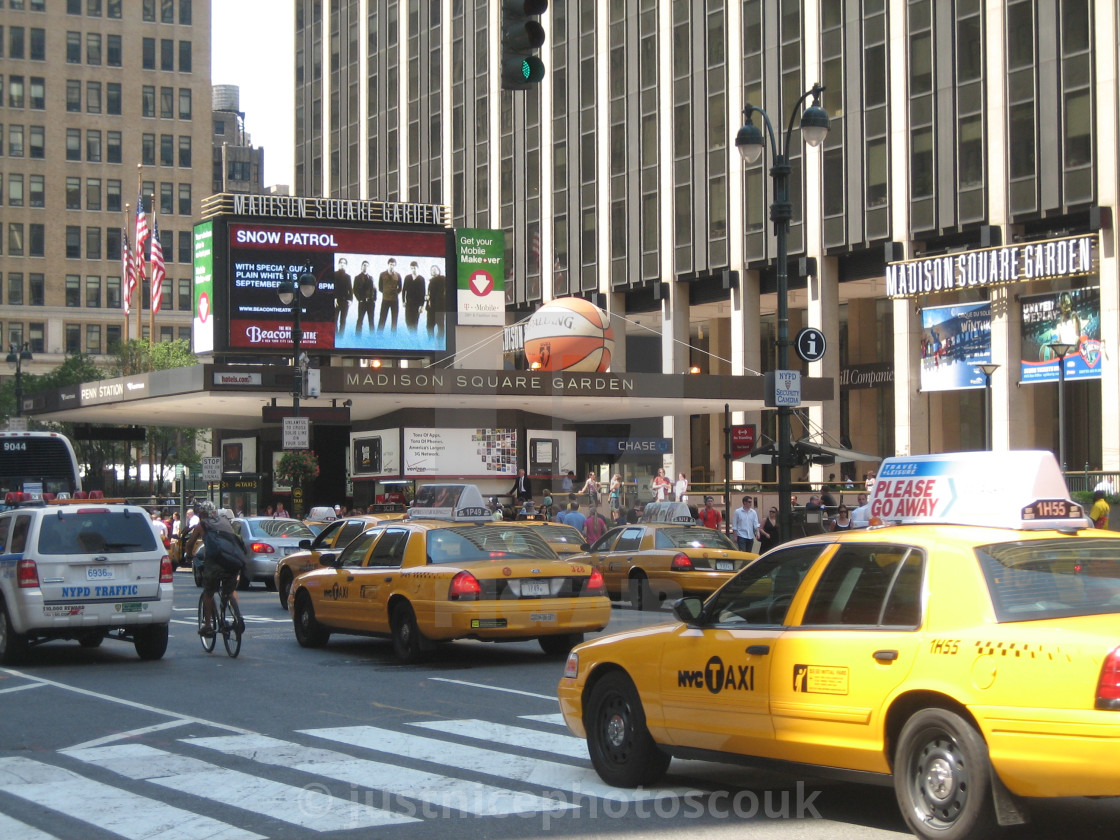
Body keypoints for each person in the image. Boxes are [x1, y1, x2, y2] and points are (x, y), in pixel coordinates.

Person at [184, 500, 243, 636]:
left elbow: (190, 543)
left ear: (202, 514)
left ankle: (208, 626)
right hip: (232, 562)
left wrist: (189, 556)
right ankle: (237, 615)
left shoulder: (202, 525)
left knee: (209, 592)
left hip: (215, 563)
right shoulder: (225, 522)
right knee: (230, 590)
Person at [377, 257, 402, 331]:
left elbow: (400, 287)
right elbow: (380, 287)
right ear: (388, 264)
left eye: (393, 265)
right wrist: (386, 292)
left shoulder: (398, 275)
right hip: (385, 300)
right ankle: (379, 335)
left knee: (394, 319)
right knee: (382, 318)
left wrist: (394, 293)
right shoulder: (382, 274)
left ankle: (393, 337)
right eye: (391, 264)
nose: (392, 266)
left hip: (394, 300)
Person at [353, 259, 376, 334]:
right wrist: (360, 299)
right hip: (362, 302)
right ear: (361, 266)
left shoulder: (371, 278)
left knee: (371, 320)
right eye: (364, 265)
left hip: (371, 302)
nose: (365, 267)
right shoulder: (357, 278)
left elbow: (374, 289)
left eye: (367, 266)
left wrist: (374, 299)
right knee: (360, 320)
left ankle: (372, 338)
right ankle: (357, 337)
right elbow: (355, 290)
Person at [403, 260, 427, 331]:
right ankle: (411, 337)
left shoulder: (421, 279)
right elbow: (404, 290)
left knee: (414, 323)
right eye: (412, 268)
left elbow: (423, 293)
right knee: (407, 321)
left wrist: (422, 305)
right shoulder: (407, 278)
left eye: (415, 268)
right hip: (408, 304)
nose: (413, 270)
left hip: (417, 305)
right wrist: (403, 301)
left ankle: (414, 339)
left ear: (417, 268)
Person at [426, 264, 447, 338]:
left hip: (440, 308)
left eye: (435, 269)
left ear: (439, 270)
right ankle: (430, 341)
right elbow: (429, 294)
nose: (434, 270)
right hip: (431, 308)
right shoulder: (430, 283)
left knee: (440, 327)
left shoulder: (442, 279)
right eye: (432, 270)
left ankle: (439, 342)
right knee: (429, 326)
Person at [333, 257, 353, 334]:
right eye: (341, 262)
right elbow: (332, 288)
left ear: (346, 265)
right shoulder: (334, 274)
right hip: (336, 301)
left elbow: (350, 289)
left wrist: (350, 300)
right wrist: (334, 298)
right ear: (338, 264)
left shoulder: (348, 277)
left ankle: (340, 336)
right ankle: (336, 335)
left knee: (343, 320)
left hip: (345, 301)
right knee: (335, 319)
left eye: (344, 263)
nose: (342, 264)